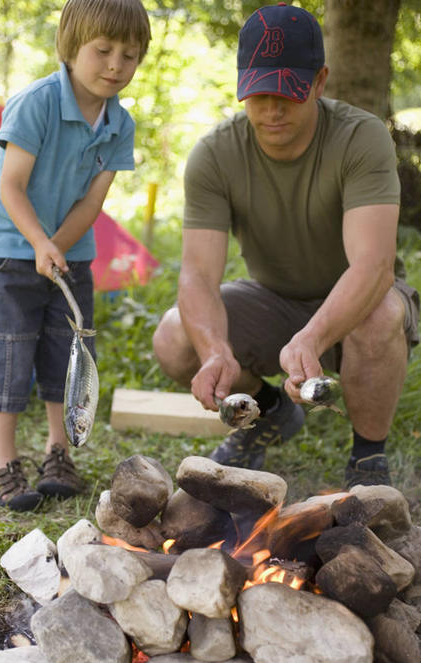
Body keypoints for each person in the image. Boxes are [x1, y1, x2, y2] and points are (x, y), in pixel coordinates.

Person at [152, 2, 419, 489]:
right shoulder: (214, 154)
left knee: (380, 313)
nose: (273, 110)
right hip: (274, 300)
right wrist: (214, 352)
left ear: (319, 82)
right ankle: (272, 411)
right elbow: (198, 275)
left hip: (361, 299)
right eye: (259, 94)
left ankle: (368, 458)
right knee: (174, 336)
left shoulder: (362, 137)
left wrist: (312, 338)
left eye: (288, 93)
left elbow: (374, 266)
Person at [0, 0, 151, 511]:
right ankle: (2, 461)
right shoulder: (37, 103)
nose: (116, 65)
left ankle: (59, 451)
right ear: (71, 48)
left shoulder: (120, 124)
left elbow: (92, 203)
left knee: (66, 352)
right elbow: (11, 186)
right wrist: (38, 243)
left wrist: (58, 248)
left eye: (130, 56)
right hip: (11, 250)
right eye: (103, 50)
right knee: (8, 353)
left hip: (70, 254)